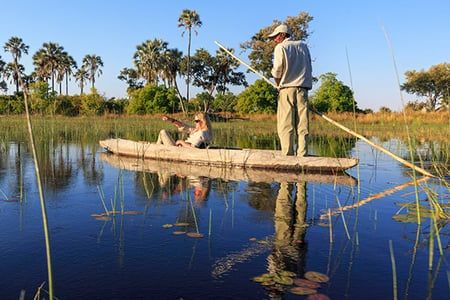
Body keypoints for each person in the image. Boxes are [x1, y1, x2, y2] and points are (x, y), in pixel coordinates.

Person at [268, 24, 313, 157]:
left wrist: (278, 85)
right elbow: (309, 66)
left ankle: (287, 155)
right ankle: (302, 154)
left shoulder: (281, 47)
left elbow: (277, 71)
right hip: (303, 90)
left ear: (282, 35)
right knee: (302, 124)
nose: (274, 40)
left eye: (276, 36)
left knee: (286, 124)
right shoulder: (304, 46)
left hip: (286, 89)